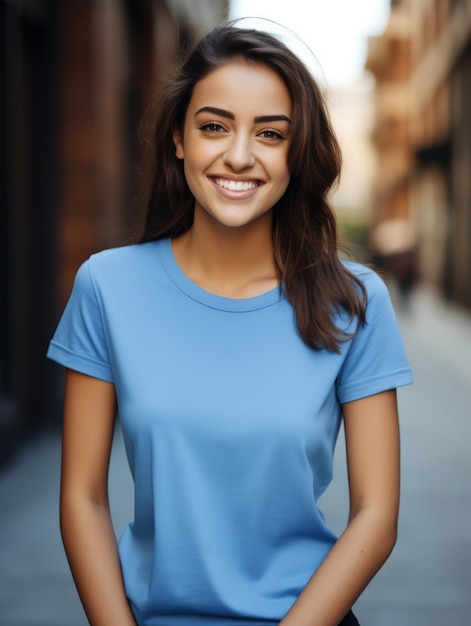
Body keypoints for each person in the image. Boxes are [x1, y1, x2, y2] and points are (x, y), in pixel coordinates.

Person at [47, 23, 413, 626]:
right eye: (214, 126)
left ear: (297, 153)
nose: (240, 155)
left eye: (270, 134)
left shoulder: (355, 300)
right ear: (178, 139)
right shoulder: (106, 287)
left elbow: (377, 513)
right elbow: (81, 497)